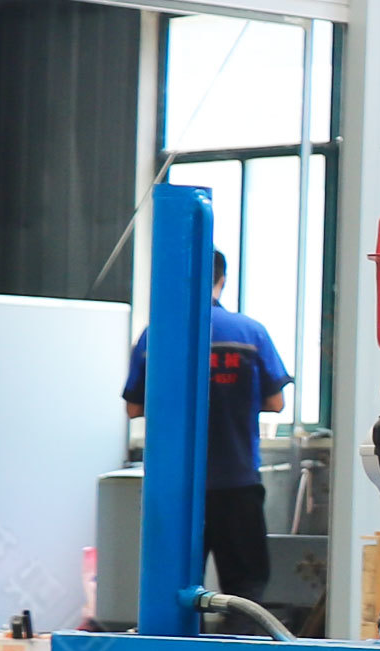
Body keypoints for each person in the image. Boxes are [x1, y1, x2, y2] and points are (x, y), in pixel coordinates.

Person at [123, 250, 291, 605]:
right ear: (222, 280)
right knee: (245, 591)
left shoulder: (156, 335)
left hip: (174, 485)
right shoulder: (250, 333)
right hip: (236, 481)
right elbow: (276, 402)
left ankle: (173, 643)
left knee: (172, 591)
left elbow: (134, 407)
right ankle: (240, 642)